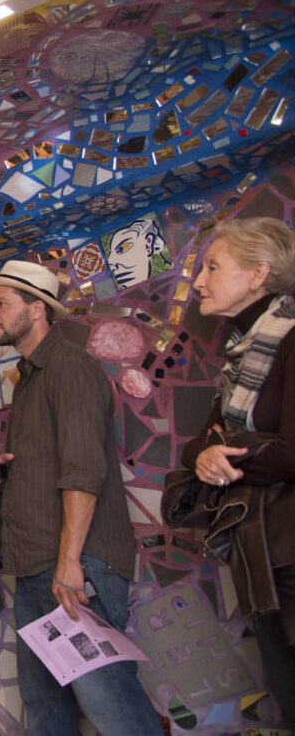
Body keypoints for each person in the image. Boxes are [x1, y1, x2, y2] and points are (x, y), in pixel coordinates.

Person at [0, 260, 162, 736]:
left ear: (37, 309)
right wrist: (10, 471)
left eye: (1, 304)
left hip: (77, 566)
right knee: (45, 706)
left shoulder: (70, 367)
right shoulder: (30, 377)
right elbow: (55, 462)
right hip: (37, 564)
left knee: (111, 705)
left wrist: (70, 562)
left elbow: (83, 471)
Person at [179, 217, 295, 725]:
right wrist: (209, 456)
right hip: (261, 554)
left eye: (212, 267)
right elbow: (197, 447)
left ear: (257, 274)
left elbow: (291, 450)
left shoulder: (288, 339)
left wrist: (227, 454)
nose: (197, 282)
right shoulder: (242, 356)